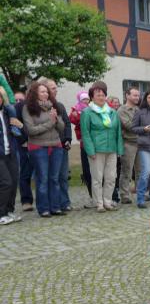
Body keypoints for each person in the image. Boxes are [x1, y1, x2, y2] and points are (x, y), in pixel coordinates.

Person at [21, 81, 65, 217]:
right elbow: (31, 130)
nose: (46, 94)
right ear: (35, 93)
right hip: (38, 147)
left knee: (55, 178)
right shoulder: (28, 108)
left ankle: (55, 207)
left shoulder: (53, 106)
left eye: (47, 91)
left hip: (56, 146)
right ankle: (44, 208)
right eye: (42, 91)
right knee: (43, 179)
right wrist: (50, 123)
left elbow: (61, 128)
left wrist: (56, 120)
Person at [81, 82, 124, 212]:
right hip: (96, 150)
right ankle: (99, 203)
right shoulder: (87, 112)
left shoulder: (112, 112)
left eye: (103, 95)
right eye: (98, 95)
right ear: (92, 97)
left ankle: (107, 202)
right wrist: (90, 150)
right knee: (97, 178)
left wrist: (119, 149)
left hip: (112, 149)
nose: (101, 97)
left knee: (111, 178)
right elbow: (85, 133)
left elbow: (118, 132)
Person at [42, 79, 73, 212]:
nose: (56, 90)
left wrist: (68, 139)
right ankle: (51, 204)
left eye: (56, 87)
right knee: (49, 177)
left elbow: (67, 123)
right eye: (52, 88)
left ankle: (64, 202)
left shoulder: (59, 106)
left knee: (63, 176)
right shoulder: (38, 107)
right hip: (45, 146)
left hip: (61, 145)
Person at [69, 91, 95, 208]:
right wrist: (77, 116)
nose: (86, 101)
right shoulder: (76, 109)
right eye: (84, 99)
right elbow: (72, 119)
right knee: (87, 171)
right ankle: (92, 196)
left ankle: (100, 196)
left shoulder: (93, 108)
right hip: (84, 143)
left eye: (87, 99)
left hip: (95, 143)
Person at [117, 87, 141, 204]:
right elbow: (129, 126)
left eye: (138, 95)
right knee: (127, 170)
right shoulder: (122, 110)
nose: (137, 97)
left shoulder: (139, 109)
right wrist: (144, 128)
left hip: (140, 143)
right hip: (128, 143)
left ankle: (140, 193)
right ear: (127, 95)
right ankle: (124, 195)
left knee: (140, 171)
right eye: (135, 95)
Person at [0, 102, 22, 224]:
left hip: (11, 153)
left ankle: (9, 210)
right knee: (6, 182)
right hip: (0, 155)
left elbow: (19, 131)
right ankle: (1, 213)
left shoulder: (7, 113)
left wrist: (19, 126)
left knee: (13, 182)